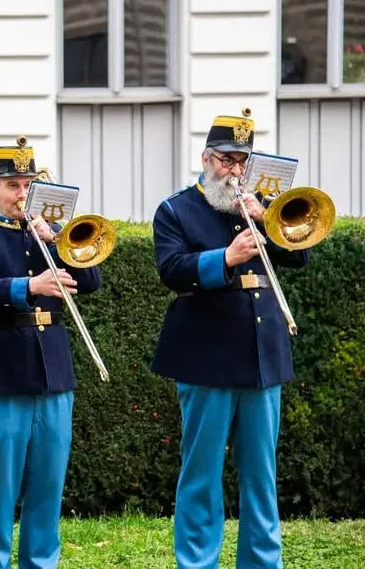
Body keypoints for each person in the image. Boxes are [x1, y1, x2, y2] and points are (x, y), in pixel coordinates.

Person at [151, 109, 310, 569]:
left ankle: (262, 563)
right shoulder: (175, 209)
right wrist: (225, 257)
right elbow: (171, 269)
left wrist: (267, 220)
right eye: (226, 160)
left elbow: (299, 259)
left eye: (243, 161)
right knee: (201, 475)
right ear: (205, 158)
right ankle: (198, 563)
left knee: (261, 477)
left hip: (263, 355)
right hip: (205, 358)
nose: (235, 171)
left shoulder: (263, 207)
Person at [0, 139, 102, 568]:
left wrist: (55, 239)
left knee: (46, 492)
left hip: (53, 376)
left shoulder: (49, 235)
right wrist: (30, 287)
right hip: (1, 376)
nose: (21, 194)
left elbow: (90, 282)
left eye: (27, 185)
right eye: (13, 185)